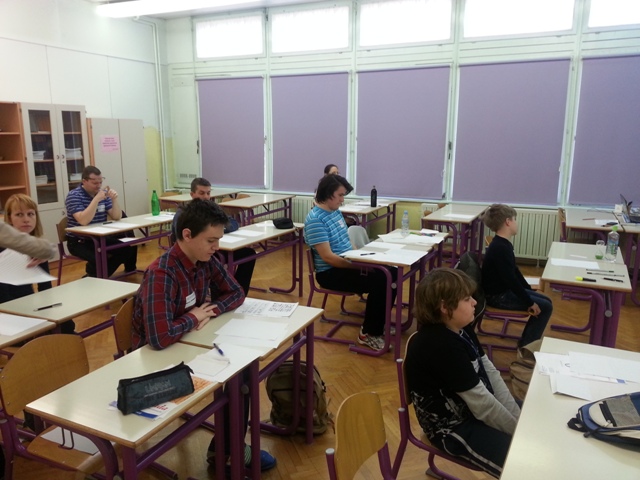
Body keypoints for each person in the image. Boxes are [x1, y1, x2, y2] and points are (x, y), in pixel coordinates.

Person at [131, 199, 276, 473]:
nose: (217, 246)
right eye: (211, 240)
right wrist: (194, 317)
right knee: (238, 377)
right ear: (187, 235)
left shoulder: (203, 261)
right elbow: (159, 338)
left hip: (184, 345)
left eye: (218, 239)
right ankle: (229, 450)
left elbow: (236, 292)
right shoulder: (162, 273)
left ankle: (227, 448)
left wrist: (212, 309)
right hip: (154, 366)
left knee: (242, 371)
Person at [405, 268, 520, 478]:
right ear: (445, 307)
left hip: (473, 408)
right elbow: (482, 404)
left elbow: (490, 372)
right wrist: (520, 434)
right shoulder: (440, 345)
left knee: (533, 418)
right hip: (451, 427)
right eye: (467, 299)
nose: (475, 302)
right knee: (520, 464)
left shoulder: (461, 327)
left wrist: (518, 419)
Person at [304, 174, 396, 351]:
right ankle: (368, 333)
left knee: (392, 272)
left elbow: (347, 241)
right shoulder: (316, 220)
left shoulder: (335, 212)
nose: (342, 200)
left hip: (347, 263)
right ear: (328, 194)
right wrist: (358, 266)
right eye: (340, 195)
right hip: (330, 273)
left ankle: (378, 322)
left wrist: (360, 257)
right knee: (382, 279)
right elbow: (328, 257)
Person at [0, 194, 75, 333]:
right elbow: (4, 298)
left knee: (67, 324)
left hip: (29, 301)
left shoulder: (35, 247)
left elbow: (45, 287)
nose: (26, 219)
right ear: (9, 219)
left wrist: (47, 308)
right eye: (19, 215)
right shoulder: (3, 248)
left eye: (30, 214)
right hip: (9, 307)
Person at [481, 203, 553, 347]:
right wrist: (529, 301)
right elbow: (511, 280)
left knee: (546, 301)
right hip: (497, 297)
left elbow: (514, 271)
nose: (516, 223)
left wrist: (528, 290)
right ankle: (527, 345)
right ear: (508, 222)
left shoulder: (503, 244)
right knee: (545, 307)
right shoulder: (500, 248)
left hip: (503, 291)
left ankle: (528, 340)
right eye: (515, 219)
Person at [171, 177, 256, 295]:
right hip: (196, 252)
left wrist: (216, 230)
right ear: (192, 194)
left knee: (249, 253)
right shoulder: (185, 213)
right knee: (214, 260)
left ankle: (238, 290)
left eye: (208, 193)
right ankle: (220, 295)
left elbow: (233, 223)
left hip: (214, 248)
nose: (206, 197)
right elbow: (179, 238)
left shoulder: (212, 209)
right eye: (201, 193)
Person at [65, 166, 137, 278]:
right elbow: (83, 221)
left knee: (126, 249)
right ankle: (96, 277)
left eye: (100, 182)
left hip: (99, 238)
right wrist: (96, 199)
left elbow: (117, 216)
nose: (98, 186)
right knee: (100, 258)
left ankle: (94, 277)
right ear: (84, 181)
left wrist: (114, 200)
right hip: (79, 241)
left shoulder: (102, 194)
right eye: (94, 183)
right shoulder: (74, 196)